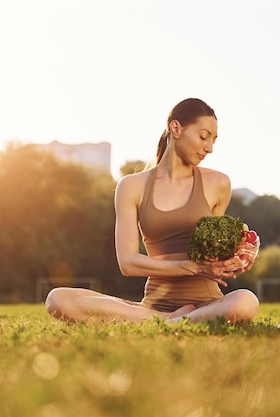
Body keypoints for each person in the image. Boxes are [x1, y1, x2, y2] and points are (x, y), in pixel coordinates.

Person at [45, 98, 260, 323]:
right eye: (203, 136)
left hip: (207, 302)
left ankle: (165, 322)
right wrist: (189, 267)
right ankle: (168, 319)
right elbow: (128, 263)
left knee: (245, 302)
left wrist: (238, 253)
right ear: (176, 128)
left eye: (214, 140)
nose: (209, 148)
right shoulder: (131, 186)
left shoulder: (218, 183)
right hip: (153, 304)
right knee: (57, 299)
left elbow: (213, 254)